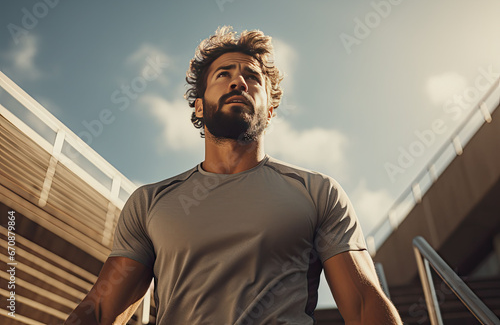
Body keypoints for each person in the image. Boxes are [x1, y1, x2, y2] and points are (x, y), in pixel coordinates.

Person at [65, 26, 402, 325]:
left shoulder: (318, 193)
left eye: (252, 77)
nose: (238, 81)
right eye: (223, 74)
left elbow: (364, 305)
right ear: (199, 106)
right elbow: (101, 311)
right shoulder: (150, 202)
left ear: (270, 110)